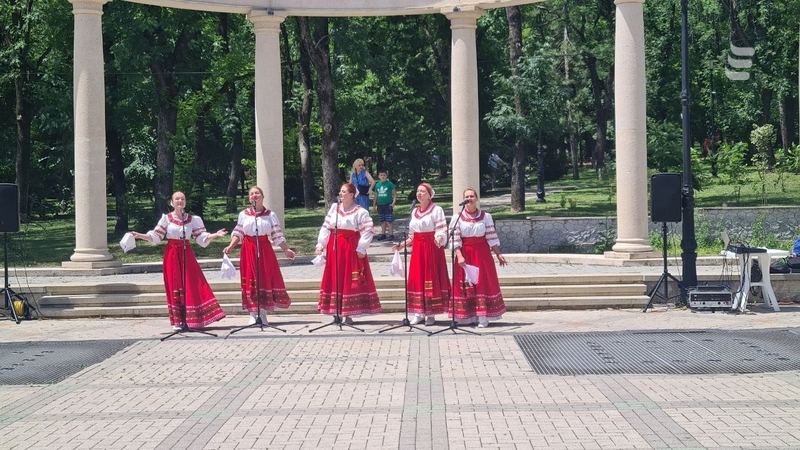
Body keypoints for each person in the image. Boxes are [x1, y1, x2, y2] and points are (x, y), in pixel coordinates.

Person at [130, 191, 227, 330]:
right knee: (174, 284)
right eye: (177, 199)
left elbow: (200, 237)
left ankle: (192, 319)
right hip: (172, 253)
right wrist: (139, 235)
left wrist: (215, 235)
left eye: (182, 199)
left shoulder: (192, 219)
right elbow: (156, 236)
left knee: (191, 283)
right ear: (172, 202)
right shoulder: (166, 219)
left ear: (185, 202)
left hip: (186, 253)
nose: (180, 201)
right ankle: (178, 320)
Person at [223, 186, 296, 325]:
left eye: (257, 193)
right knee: (251, 279)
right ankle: (252, 313)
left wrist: (286, 249)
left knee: (264, 279)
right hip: (248, 249)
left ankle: (263, 313)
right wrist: (231, 246)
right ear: (249, 198)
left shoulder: (270, 215)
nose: (254, 195)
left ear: (262, 196)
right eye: (251, 194)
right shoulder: (244, 214)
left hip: (264, 248)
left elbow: (276, 234)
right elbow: (239, 232)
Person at [315, 183, 382, 324]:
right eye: (340, 191)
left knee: (349, 277)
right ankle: (336, 312)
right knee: (336, 277)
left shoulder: (360, 211)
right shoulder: (334, 208)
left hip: (350, 248)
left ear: (352, 195)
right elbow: (326, 227)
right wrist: (321, 244)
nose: (340, 194)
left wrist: (362, 247)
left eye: (344, 191)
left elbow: (368, 230)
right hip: (334, 247)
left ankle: (349, 313)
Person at [391, 183, 450, 326]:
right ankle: (419, 313)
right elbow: (412, 235)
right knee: (417, 278)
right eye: (418, 191)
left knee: (430, 278)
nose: (419, 194)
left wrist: (439, 238)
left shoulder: (437, 210)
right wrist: (402, 245)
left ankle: (431, 313)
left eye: (423, 191)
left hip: (431, 247)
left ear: (430, 195)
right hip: (418, 249)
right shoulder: (414, 212)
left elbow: (442, 229)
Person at [449, 187, 507, 328]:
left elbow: (491, 237)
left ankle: (482, 317)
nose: (469, 199)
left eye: (472, 196)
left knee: (482, 283)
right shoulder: (457, 217)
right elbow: (455, 238)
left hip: (482, 254)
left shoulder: (486, 216)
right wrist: (459, 256)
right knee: (466, 283)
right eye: (467, 196)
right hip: (465, 253)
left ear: (476, 198)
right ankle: (466, 317)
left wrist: (498, 254)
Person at [372, 169, 397, 241]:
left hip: (388, 204)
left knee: (389, 220)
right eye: (381, 175)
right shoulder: (377, 185)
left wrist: (393, 202)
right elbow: (376, 195)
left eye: (384, 175)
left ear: (386, 176)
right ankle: (383, 234)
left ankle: (391, 234)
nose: (383, 176)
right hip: (380, 205)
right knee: (382, 221)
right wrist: (374, 204)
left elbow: (394, 193)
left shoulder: (389, 184)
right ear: (379, 176)